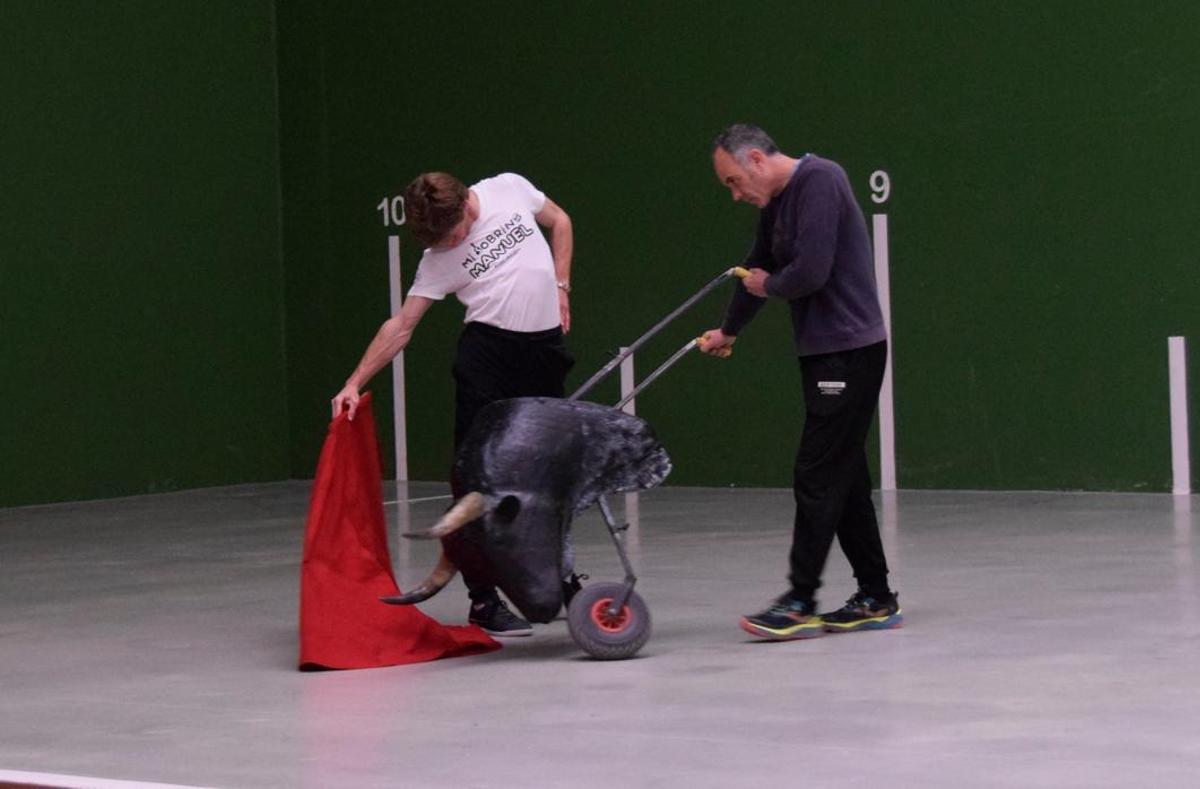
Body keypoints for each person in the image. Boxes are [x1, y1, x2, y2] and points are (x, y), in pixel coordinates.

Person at [331, 170, 580, 637]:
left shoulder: (509, 187)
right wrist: (353, 381)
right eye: (441, 240)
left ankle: (559, 579)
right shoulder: (436, 259)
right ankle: (483, 600)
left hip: (543, 351)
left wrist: (561, 286)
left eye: (453, 234)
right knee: (475, 479)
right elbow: (402, 326)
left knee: (548, 474)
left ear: (467, 203)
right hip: (487, 357)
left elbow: (560, 221)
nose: (450, 244)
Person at [698, 123, 902, 640]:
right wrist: (729, 329)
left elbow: (810, 272)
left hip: (850, 351)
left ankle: (799, 601)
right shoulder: (775, 203)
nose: (736, 194)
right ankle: (875, 597)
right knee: (844, 477)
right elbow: (754, 269)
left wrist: (770, 285)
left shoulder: (821, 180)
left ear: (757, 162)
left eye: (733, 181)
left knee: (816, 475)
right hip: (822, 354)